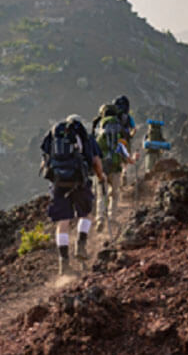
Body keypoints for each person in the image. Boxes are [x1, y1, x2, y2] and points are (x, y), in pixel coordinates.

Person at [41, 114, 106, 275]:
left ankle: (64, 263)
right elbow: (96, 161)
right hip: (79, 182)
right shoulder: (86, 137)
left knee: (62, 222)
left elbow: (45, 160)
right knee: (86, 214)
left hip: (58, 184)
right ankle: (81, 245)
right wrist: (101, 177)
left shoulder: (54, 135)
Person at [95, 106, 139, 233]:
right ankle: (112, 218)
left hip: (102, 168)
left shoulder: (100, 133)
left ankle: (100, 219)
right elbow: (125, 156)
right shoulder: (119, 133)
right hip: (116, 168)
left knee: (101, 195)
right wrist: (133, 159)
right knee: (114, 195)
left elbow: (94, 153)